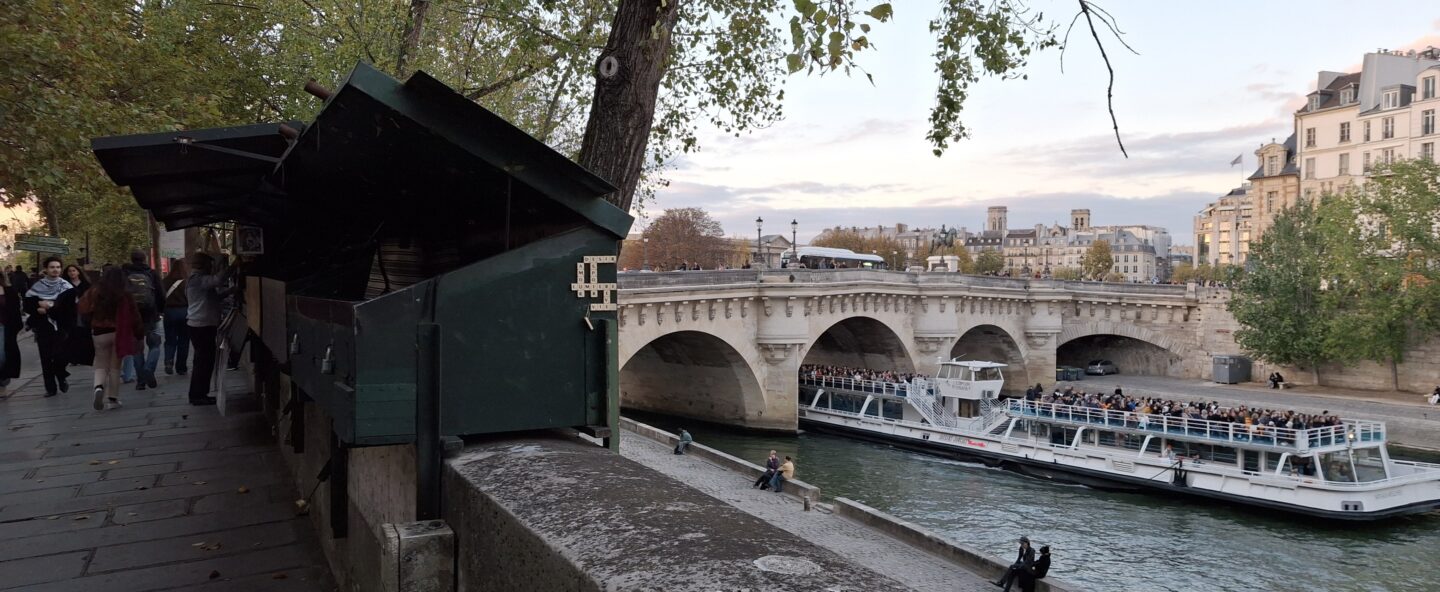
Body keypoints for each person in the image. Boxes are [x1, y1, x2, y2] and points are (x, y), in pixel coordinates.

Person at [77, 268, 142, 410]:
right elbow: (134, 315)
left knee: (100, 364)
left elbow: (82, 307)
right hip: (119, 332)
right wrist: (139, 333)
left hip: (99, 332)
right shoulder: (125, 294)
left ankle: (98, 387)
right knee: (115, 366)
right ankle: (113, 399)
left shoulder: (95, 291)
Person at [185, 253, 235, 405]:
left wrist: (230, 291)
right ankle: (198, 395)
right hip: (202, 325)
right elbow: (218, 280)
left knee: (202, 361)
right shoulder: (198, 279)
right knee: (204, 362)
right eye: (210, 265)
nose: (212, 268)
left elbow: (214, 297)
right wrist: (234, 265)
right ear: (205, 265)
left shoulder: (196, 280)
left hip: (201, 324)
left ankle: (198, 393)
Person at [24, 257, 75, 396]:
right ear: (46, 269)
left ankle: (61, 374)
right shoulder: (37, 286)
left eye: (58, 267)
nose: (55, 270)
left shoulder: (67, 287)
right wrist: (37, 307)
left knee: (60, 355)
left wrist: (49, 308)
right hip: (43, 327)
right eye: (52, 267)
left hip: (61, 326)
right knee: (45, 357)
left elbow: (69, 309)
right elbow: (28, 304)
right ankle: (50, 388)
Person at [122, 250, 164, 390]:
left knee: (137, 348)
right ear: (144, 259)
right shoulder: (151, 273)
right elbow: (160, 293)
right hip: (151, 314)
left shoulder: (124, 274)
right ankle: (149, 368)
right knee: (155, 344)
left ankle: (141, 381)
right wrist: (161, 310)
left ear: (131, 259)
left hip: (132, 316)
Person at [62, 265, 95, 366]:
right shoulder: (65, 284)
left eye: (74, 271)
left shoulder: (86, 284)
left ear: (78, 272)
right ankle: (73, 358)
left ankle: (85, 357)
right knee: (72, 335)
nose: (72, 273)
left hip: (83, 312)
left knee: (84, 333)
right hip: (70, 312)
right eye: (70, 271)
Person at [161, 259, 190, 375]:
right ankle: (181, 367)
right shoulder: (187, 282)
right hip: (184, 311)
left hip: (169, 312)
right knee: (184, 340)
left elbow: (161, 297)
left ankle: (168, 361)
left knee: (170, 339)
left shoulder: (165, 281)